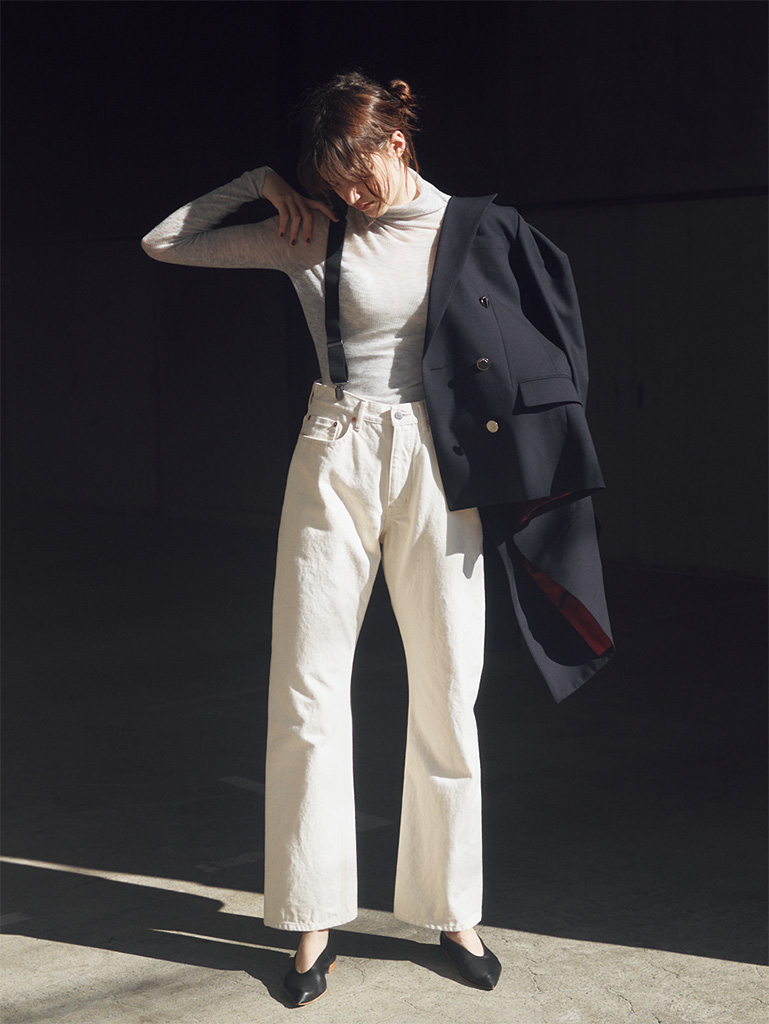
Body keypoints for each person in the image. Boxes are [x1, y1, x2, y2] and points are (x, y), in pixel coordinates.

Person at [142, 70, 613, 1007]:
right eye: (331, 179)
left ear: (397, 142)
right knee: (307, 687)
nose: (350, 194)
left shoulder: (478, 228)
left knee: (448, 687)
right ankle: (311, 918)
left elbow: (544, 343)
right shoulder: (308, 231)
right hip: (334, 449)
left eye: (360, 173)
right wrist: (258, 182)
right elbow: (164, 242)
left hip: (440, 465)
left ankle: (451, 911)